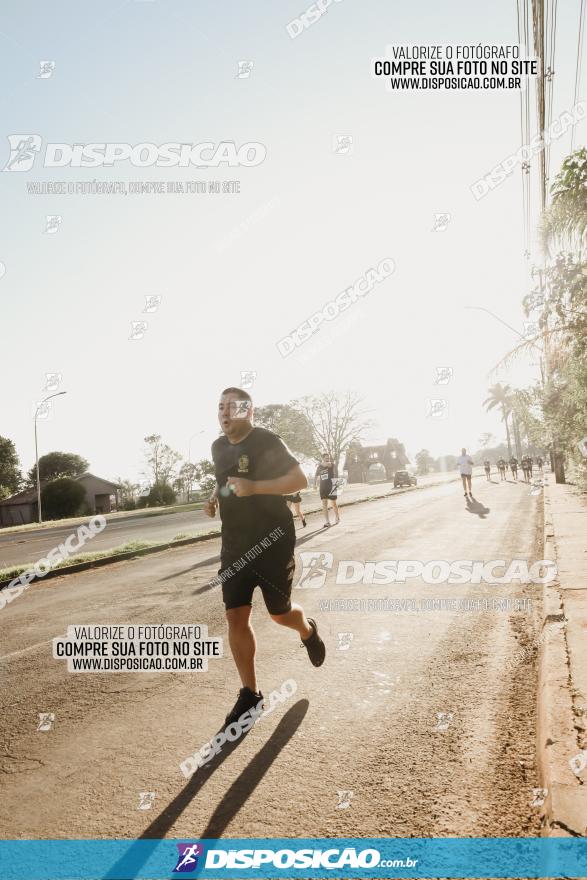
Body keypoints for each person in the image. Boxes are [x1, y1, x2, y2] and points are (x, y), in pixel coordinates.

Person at [205, 387, 326, 726]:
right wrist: (215, 496)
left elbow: (299, 479)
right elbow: (225, 479)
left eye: (232, 407)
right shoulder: (217, 447)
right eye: (220, 408)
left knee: (279, 614)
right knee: (236, 618)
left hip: (273, 541)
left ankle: (307, 630)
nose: (225, 413)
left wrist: (256, 487)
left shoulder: (266, 441)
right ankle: (250, 694)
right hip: (234, 545)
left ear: (248, 411)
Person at [314, 453, 340, 527]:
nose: (327, 459)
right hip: (323, 487)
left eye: (328, 458)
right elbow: (316, 476)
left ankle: (337, 517)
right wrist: (314, 485)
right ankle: (327, 522)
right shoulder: (319, 467)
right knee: (324, 504)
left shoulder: (331, 464)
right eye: (325, 458)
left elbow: (327, 465)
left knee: (334, 503)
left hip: (332, 486)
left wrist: (320, 463)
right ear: (323, 458)